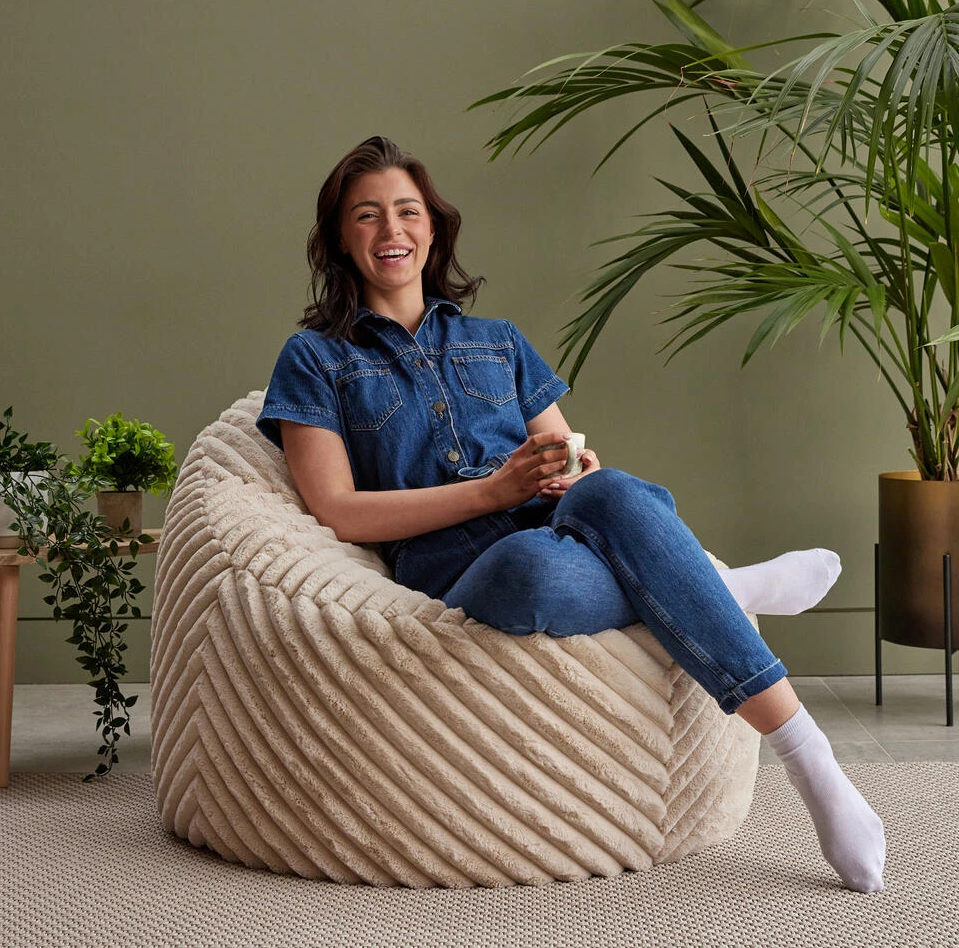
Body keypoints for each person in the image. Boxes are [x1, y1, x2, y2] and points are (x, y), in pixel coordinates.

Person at [257, 135, 885, 893]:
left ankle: (811, 760)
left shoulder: (498, 342)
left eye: (407, 211)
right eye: (367, 215)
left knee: (612, 490)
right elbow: (337, 511)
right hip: (461, 564)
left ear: (434, 226)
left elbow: (572, 455)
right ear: (338, 238)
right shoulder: (314, 358)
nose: (392, 230)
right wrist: (492, 491)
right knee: (532, 574)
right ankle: (720, 585)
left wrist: (567, 472)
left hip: (560, 528)